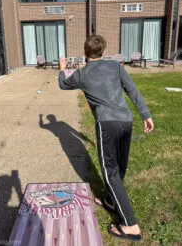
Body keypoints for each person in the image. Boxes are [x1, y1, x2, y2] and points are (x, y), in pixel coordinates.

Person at [58, 35, 154, 242]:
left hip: (107, 126)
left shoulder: (81, 74)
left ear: (85, 52)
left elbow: (63, 85)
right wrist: (145, 115)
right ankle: (111, 200)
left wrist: (62, 67)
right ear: (103, 51)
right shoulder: (116, 67)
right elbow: (132, 89)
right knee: (119, 168)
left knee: (110, 173)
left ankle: (130, 226)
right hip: (126, 122)